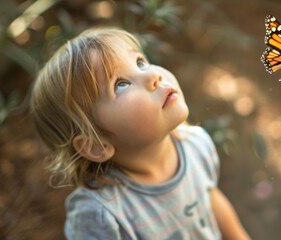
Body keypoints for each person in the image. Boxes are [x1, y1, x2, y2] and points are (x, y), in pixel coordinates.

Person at [30, 27, 250, 240]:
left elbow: (210, 200)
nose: (153, 75)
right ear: (96, 145)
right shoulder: (102, 215)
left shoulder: (195, 144)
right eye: (121, 85)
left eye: (140, 62)